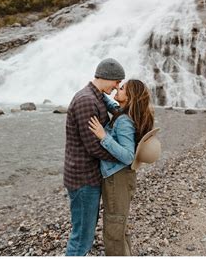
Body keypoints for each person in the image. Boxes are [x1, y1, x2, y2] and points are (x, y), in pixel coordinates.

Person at [64, 58, 125, 256]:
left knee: (84, 234)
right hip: (83, 179)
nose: (117, 87)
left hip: (90, 176)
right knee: (81, 238)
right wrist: (126, 158)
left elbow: (119, 112)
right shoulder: (86, 101)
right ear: (107, 78)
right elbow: (93, 147)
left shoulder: (97, 96)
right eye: (117, 82)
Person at [88, 79, 154, 256]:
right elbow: (111, 104)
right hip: (121, 178)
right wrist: (97, 89)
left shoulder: (124, 120)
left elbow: (128, 156)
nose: (118, 87)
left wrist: (104, 136)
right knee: (119, 225)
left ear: (130, 97)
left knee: (114, 229)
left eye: (122, 87)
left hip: (118, 179)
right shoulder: (123, 111)